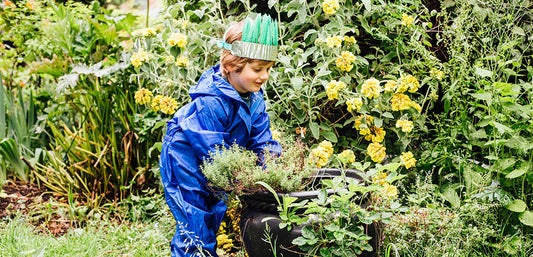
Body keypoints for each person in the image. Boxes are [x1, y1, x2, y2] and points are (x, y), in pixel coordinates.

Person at [159, 13, 282, 257]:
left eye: (268, 68)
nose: (264, 76)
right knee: (194, 218)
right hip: (186, 157)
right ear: (230, 66)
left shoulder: (254, 99)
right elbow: (211, 149)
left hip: (217, 159)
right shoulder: (212, 99)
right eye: (257, 69)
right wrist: (241, 178)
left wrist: (272, 170)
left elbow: (263, 142)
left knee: (214, 211)